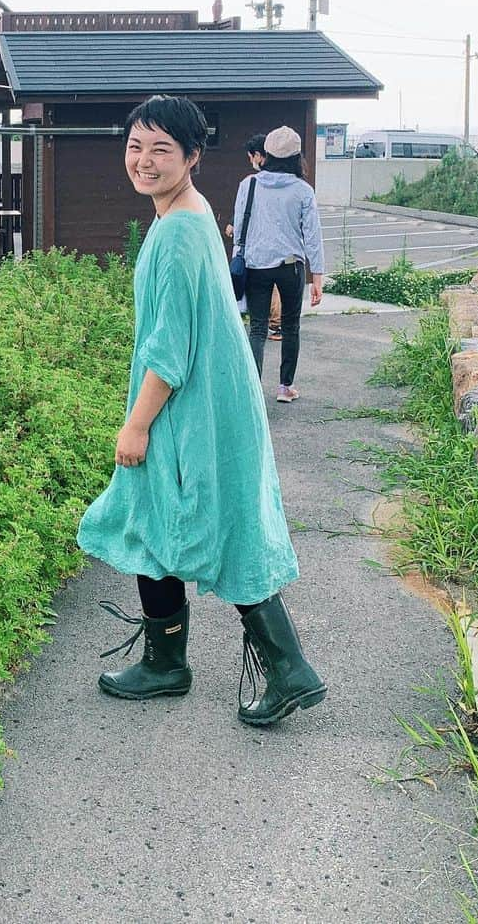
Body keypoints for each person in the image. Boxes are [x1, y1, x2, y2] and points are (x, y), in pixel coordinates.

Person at [77, 96, 325, 726]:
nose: (144, 161)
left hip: (190, 405)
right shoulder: (187, 215)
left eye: (162, 149)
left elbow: (169, 345)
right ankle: (167, 663)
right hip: (211, 399)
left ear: (192, 156)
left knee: (207, 521)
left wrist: (136, 422)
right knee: (157, 515)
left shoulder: (182, 231)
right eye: (136, 147)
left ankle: (286, 668)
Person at [232, 126, 325, 402]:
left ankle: (252, 392)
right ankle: (285, 388)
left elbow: (239, 230)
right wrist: (317, 276)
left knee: (258, 327)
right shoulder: (303, 190)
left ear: (267, 154)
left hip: (255, 265)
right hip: (290, 267)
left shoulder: (248, 185)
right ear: (297, 157)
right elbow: (312, 234)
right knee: (290, 326)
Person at [225, 134, 281, 339]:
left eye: (251, 157)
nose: (251, 161)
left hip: (257, 249)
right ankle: (275, 325)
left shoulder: (251, 183)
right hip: (281, 250)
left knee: (259, 290)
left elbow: (244, 211)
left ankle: (272, 324)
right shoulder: (290, 181)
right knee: (272, 288)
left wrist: (238, 239)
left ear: (258, 155)